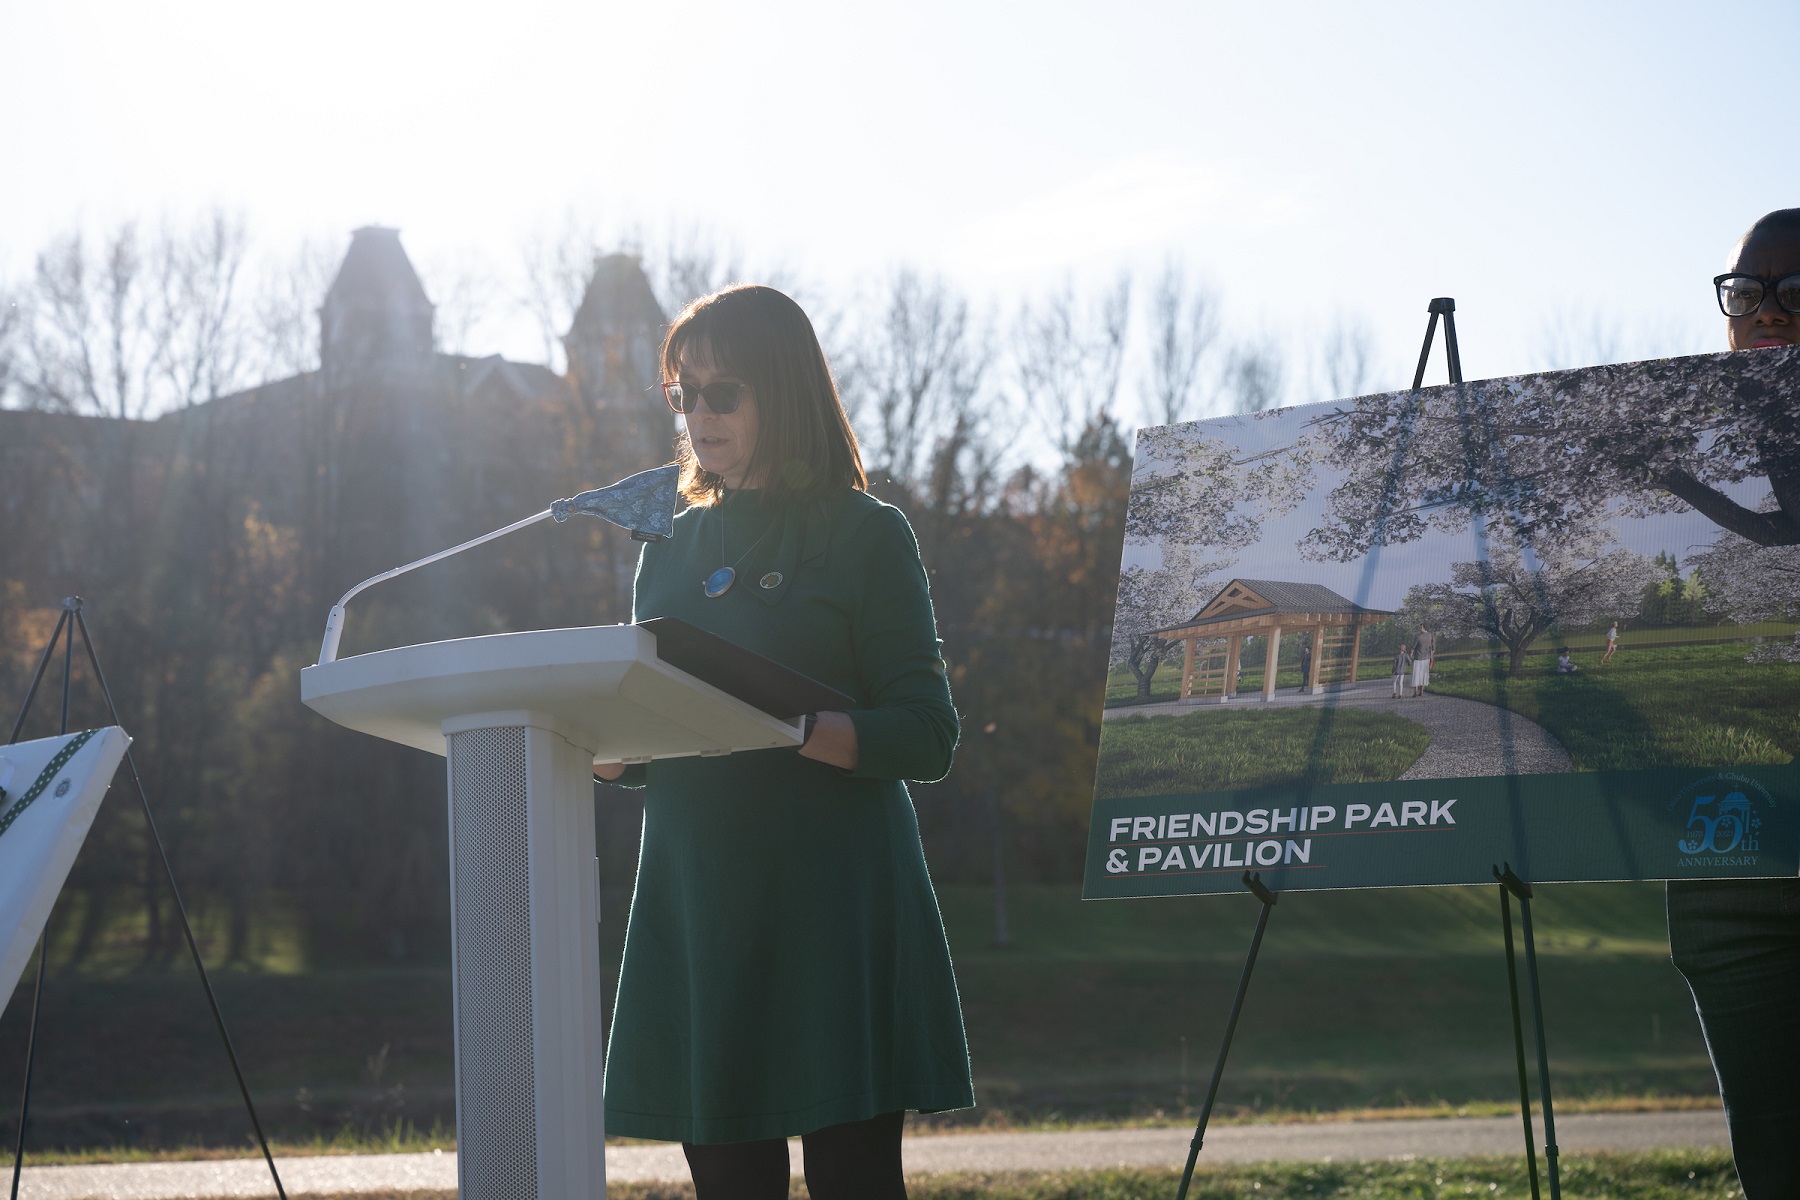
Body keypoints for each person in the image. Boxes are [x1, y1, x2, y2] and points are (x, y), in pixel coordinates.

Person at [595, 285, 971, 1199]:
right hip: (703, 908)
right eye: (685, 395)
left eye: (725, 393)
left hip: (832, 906)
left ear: (787, 391)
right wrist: (603, 745)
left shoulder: (868, 535)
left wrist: (801, 728)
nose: (700, 416)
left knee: (854, 1181)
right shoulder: (669, 548)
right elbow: (664, 732)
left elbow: (927, 733)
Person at [1666, 207, 1800, 1200]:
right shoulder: (1701, 440)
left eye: (1796, 292)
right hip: (1733, 875)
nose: (1766, 313)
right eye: (1747, 292)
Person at [1410, 624, 1434, 697]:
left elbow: (1413, 646)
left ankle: (1415, 692)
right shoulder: (1430, 636)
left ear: (1424, 628)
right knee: (1424, 675)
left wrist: (1411, 653)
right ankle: (1421, 691)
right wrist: (1431, 656)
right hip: (1426, 658)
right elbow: (1432, 647)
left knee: (1416, 675)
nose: (1420, 628)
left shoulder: (1419, 636)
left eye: (1421, 627)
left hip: (1418, 658)